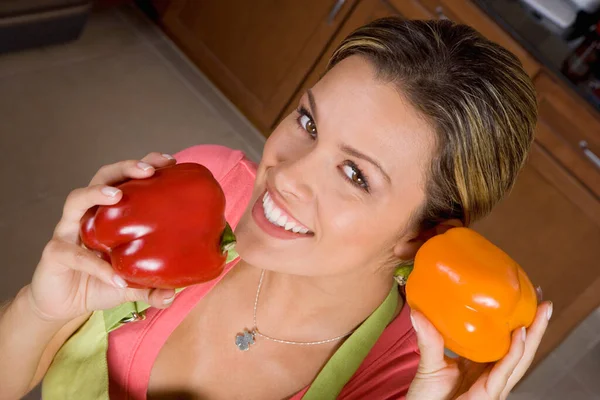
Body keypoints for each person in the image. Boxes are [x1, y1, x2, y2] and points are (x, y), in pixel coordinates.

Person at [0, 18, 552, 400]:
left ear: (422, 234)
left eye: (355, 175)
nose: (285, 174)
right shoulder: (206, 184)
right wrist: (40, 309)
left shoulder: (402, 376)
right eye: (308, 123)